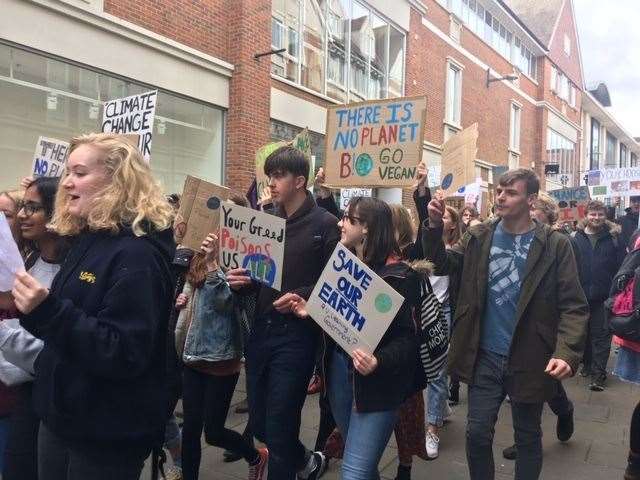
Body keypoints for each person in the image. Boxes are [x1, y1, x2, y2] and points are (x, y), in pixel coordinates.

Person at [11, 132, 176, 480]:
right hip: (61, 419)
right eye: (68, 172)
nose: (67, 182)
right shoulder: (89, 240)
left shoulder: (138, 255)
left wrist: (47, 311)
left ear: (118, 179)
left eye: (80, 173)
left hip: (105, 433)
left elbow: (123, 351)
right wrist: (34, 311)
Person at [422, 168, 588, 480]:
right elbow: (441, 264)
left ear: (531, 199)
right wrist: (433, 225)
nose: (500, 197)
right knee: (476, 433)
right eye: (499, 190)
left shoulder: (555, 245)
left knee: (527, 436)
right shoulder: (479, 235)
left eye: (510, 192)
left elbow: (574, 306)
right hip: (483, 354)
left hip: (530, 356)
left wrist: (566, 352)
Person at [283, 196, 419, 480]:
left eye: (348, 218)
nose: (341, 223)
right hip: (339, 378)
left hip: (378, 387)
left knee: (354, 473)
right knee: (365, 468)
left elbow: (409, 341)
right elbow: (333, 310)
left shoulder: (401, 277)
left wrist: (378, 361)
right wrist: (311, 309)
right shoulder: (342, 264)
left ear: (367, 228)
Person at [226, 146, 340, 480]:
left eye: (279, 175)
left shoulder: (326, 224)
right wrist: (240, 282)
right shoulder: (265, 222)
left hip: (297, 337)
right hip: (262, 330)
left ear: (300, 181)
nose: (272, 182)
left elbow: (332, 283)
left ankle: (289, 467)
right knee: (260, 423)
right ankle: (307, 461)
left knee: (279, 425)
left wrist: (302, 297)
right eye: (270, 175)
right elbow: (256, 277)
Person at [174, 232, 267, 480]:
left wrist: (214, 263)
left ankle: (256, 456)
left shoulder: (237, 259)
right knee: (191, 430)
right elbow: (188, 289)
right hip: (193, 354)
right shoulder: (196, 254)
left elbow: (224, 302)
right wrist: (180, 298)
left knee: (213, 433)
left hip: (222, 359)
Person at [502, 192, 578, 460]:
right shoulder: (512, 239)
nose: (528, 214)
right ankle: (523, 440)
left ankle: (564, 410)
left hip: (546, 329)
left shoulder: (560, 244)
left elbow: (570, 297)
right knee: (520, 389)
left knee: (546, 384)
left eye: (534, 210)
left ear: (547, 215)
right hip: (515, 329)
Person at [0, 177, 67, 480]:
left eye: (33, 208)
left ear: (56, 214)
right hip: (23, 396)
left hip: (52, 395)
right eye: (23, 207)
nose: (24, 215)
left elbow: (51, 349)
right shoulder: (25, 260)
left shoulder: (73, 271)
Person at [572, 200, 626, 391]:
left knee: (601, 335)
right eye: (593, 214)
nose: (596, 218)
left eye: (600, 214)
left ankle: (599, 375)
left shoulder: (614, 238)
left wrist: (617, 293)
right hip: (579, 296)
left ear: (606, 216)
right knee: (583, 334)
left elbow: (622, 267)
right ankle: (586, 364)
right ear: (585, 215)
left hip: (605, 296)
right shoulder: (575, 237)